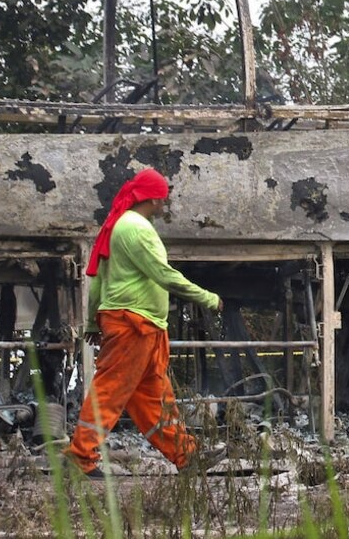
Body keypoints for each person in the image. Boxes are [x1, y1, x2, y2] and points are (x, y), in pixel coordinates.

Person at [64, 168, 222, 478]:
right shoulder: (136, 228)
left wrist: (94, 322)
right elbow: (163, 274)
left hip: (139, 324)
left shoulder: (117, 226)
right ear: (152, 199)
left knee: (154, 398)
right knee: (110, 391)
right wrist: (207, 298)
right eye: (163, 199)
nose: (164, 206)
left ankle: (186, 456)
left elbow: (96, 281)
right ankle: (80, 457)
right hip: (134, 323)